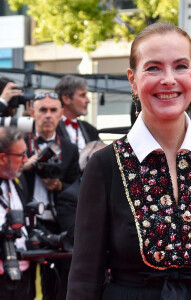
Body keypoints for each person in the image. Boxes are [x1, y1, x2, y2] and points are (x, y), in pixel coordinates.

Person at [67, 22, 191, 300]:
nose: (168, 79)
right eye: (153, 68)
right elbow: (84, 277)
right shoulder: (105, 164)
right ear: (132, 79)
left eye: (180, 66)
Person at [24, 92, 80, 300]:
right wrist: (25, 165)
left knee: (58, 282)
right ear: (32, 113)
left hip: (59, 221)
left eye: (53, 110)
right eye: (43, 110)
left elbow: (76, 187)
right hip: (26, 220)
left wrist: (59, 186)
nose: (48, 115)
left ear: (61, 114)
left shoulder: (70, 149)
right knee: (25, 280)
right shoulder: (20, 145)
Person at [0, 126, 35, 300]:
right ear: (2, 158)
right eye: (21, 155)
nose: (26, 160)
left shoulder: (18, 180)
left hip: (22, 273)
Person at [55, 75, 100, 152]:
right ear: (66, 99)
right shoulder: (51, 128)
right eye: (82, 95)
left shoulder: (90, 129)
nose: (88, 100)